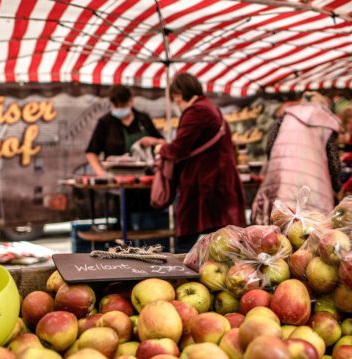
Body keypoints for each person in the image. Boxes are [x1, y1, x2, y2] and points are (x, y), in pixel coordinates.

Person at [157, 73, 246, 252]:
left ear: (180, 94)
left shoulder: (196, 111)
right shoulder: (210, 107)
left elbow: (179, 148)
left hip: (205, 183)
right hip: (217, 181)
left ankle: (180, 274)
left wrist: (161, 149)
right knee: (222, 235)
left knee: (187, 239)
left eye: (176, 97)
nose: (176, 102)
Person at [84, 85, 168, 245]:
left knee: (147, 230)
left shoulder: (143, 119)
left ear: (131, 101)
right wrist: (101, 173)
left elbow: (163, 143)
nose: (120, 109)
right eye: (117, 106)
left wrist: (153, 141)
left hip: (145, 187)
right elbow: (91, 152)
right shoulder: (105, 122)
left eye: (123, 105)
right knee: (123, 230)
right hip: (119, 187)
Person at [251, 92, 342, 224]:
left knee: (280, 231)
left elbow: (270, 146)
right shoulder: (327, 122)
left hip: (282, 181)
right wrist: (337, 187)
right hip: (315, 185)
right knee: (310, 232)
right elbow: (333, 160)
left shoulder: (285, 117)